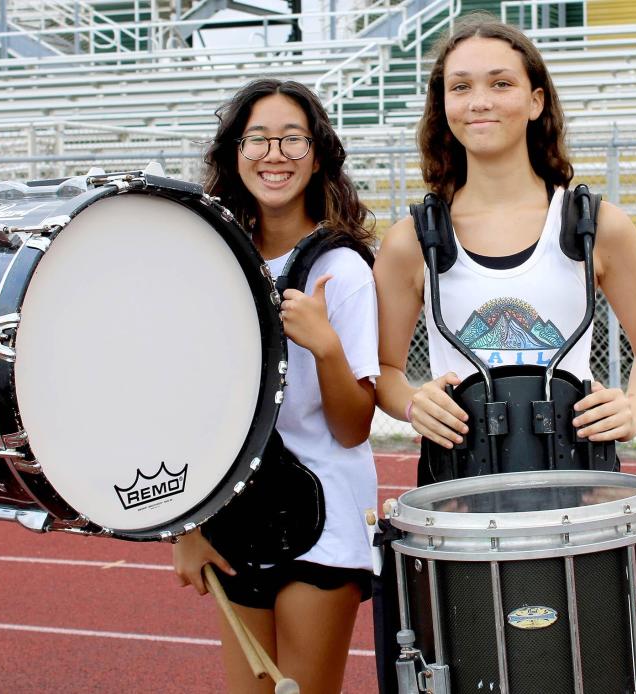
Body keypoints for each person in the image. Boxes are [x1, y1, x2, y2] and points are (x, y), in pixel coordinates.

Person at [371, 13, 636, 692]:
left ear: (535, 99)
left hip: (578, 489)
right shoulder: (409, 240)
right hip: (461, 492)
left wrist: (632, 407)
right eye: (460, 87)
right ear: (441, 105)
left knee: (589, 665)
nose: (479, 101)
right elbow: (385, 374)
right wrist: (410, 401)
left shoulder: (595, 226)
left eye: (500, 83)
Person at [172, 78, 380, 694]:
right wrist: (186, 530)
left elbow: (352, 426)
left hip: (325, 516)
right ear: (236, 153)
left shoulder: (343, 270)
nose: (275, 154)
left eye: (293, 139)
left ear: (317, 154)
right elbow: (191, 408)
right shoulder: (212, 261)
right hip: (234, 516)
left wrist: (327, 346)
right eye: (258, 138)